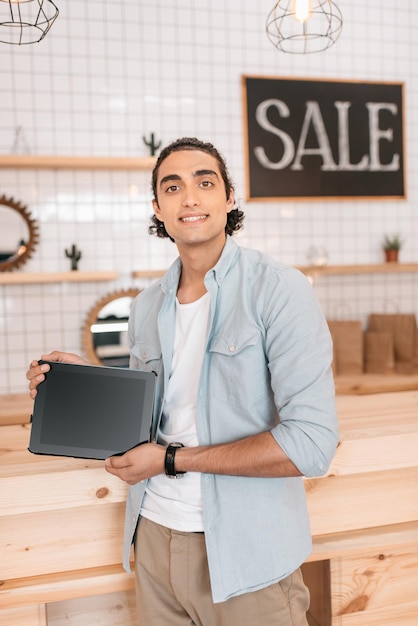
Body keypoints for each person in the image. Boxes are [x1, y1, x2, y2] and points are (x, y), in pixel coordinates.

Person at [27, 137, 339, 625]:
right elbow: (155, 415)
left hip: (245, 556)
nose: (189, 197)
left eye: (205, 182)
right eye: (172, 187)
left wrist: (171, 459)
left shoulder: (278, 289)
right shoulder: (147, 304)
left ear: (229, 198)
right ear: (158, 207)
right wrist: (82, 382)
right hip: (153, 539)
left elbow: (311, 445)